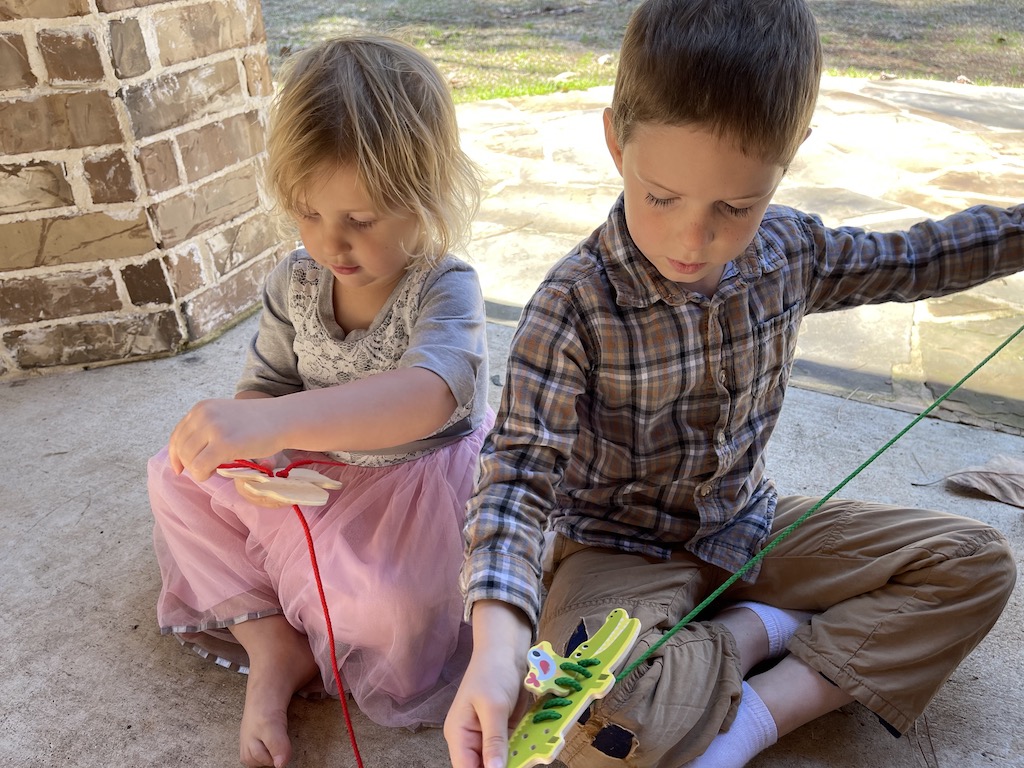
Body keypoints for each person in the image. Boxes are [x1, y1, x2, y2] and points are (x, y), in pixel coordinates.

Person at [444, 1, 1023, 767]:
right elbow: (517, 477)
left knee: (974, 563)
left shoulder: (791, 249)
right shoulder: (573, 303)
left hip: (752, 530)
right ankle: (760, 633)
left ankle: (756, 686)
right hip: (616, 556)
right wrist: (495, 642)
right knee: (596, 730)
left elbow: (918, 256)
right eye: (662, 196)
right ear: (617, 139)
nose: (694, 236)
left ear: (789, 156)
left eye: (735, 205)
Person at [148, 35, 494, 768]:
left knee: (387, 614)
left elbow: (428, 398)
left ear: (423, 198)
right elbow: (265, 388)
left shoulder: (446, 285)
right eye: (308, 213)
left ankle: (319, 618)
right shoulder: (295, 282)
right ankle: (273, 642)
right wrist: (255, 441)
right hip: (315, 472)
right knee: (175, 477)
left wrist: (277, 421)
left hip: (418, 492)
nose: (329, 243)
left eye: (360, 220)